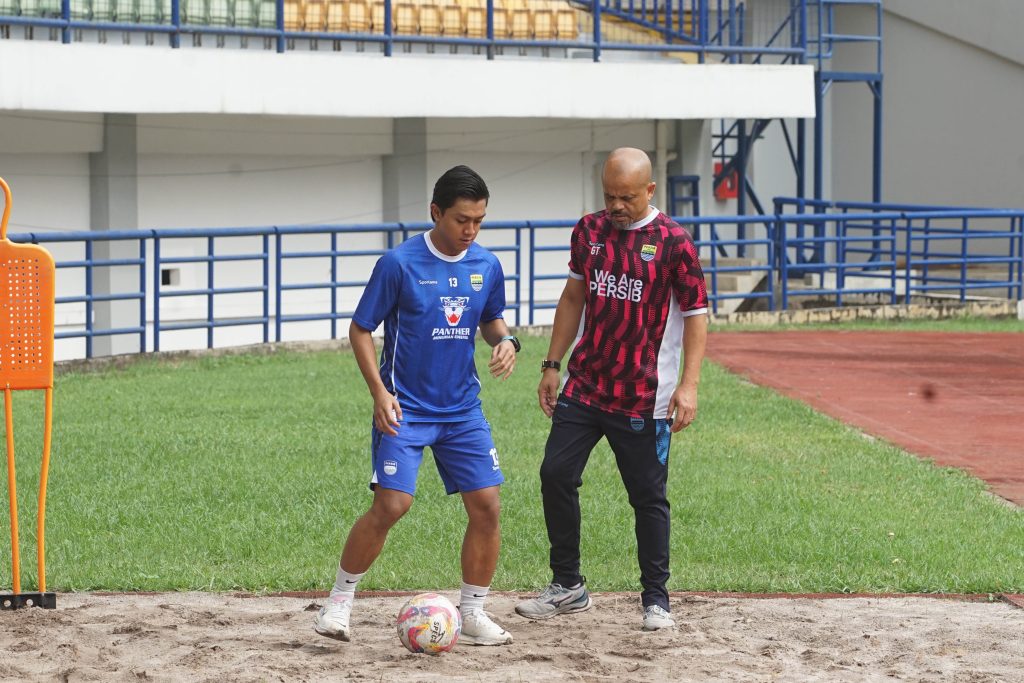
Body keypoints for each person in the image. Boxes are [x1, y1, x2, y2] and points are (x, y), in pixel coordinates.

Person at [315, 165, 519, 646]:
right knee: (392, 504)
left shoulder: (485, 265)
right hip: (404, 408)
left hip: (462, 409)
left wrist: (505, 339)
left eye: (479, 221)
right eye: (461, 220)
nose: (470, 230)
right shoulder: (398, 264)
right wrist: (378, 393)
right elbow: (360, 329)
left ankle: (472, 613)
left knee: (487, 506)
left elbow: (491, 318)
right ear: (435, 212)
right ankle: (338, 604)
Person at [515, 147, 708, 631]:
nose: (616, 206)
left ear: (650, 190)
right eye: (608, 196)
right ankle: (568, 586)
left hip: (645, 395)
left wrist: (689, 385)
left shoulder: (673, 243)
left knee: (647, 497)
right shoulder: (589, 230)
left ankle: (656, 599)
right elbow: (574, 294)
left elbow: (698, 314)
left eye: (626, 197)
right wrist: (552, 364)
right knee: (555, 474)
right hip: (585, 384)